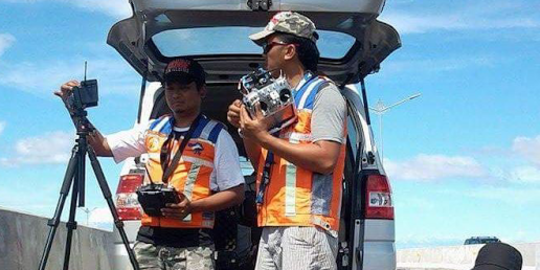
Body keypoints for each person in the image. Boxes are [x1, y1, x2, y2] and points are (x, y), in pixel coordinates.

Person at [56, 57, 245, 270]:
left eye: (184, 88)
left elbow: (237, 192)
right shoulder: (154, 128)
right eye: (170, 88)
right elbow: (102, 147)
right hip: (149, 240)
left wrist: (192, 206)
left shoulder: (216, 135)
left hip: (194, 242)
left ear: (201, 91)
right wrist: (75, 111)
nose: (175, 94)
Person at [227, 11, 347, 270]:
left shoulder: (323, 94)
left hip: (306, 226)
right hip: (274, 224)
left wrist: (262, 137)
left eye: (267, 45)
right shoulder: (278, 101)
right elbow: (260, 162)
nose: (263, 53)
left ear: (290, 51)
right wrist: (247, 129)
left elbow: (326, 159)